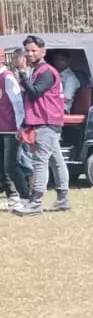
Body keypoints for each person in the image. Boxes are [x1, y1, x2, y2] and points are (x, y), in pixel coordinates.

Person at [13, 35, 70, 216]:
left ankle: (35, 203)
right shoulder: (37, 71)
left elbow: (35, 93)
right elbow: (30, 100)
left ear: (43, 52)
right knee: (56, 161)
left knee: (40, 162)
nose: (29, 54)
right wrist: (23, 124)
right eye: (27, 51)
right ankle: (63, 199)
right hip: (42, 121)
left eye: (33, 51)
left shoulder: (46, 71)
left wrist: (22, 74)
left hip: (46, 122)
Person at [0, 48, 25, 209]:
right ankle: (12, 196)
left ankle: (26, 196)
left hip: (10, 128)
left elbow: (18, 104)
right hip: (1, 127)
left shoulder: (7, 77)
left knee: (11, 165)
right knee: (2, 166)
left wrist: (20, 126)